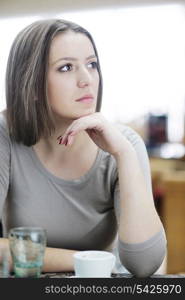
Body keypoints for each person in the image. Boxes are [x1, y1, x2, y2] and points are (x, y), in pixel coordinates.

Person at [0, 19, 166, 277]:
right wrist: (90, 259)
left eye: (92, 64)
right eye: (66, 67)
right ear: (30, 82)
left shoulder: (124, 144)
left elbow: (145, 266)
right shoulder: (4, 133)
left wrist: (124, 155)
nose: (87, 79)